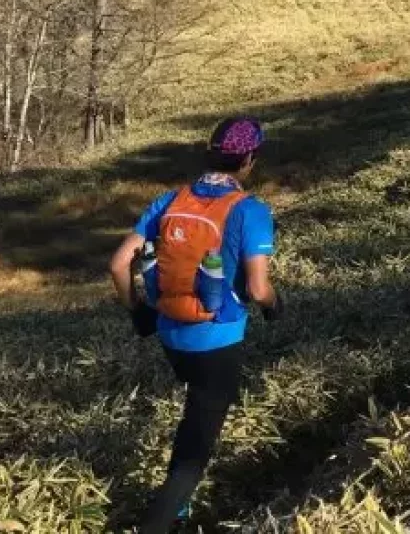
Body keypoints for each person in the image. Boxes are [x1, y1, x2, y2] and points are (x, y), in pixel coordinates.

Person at [108, 116, 283, 534]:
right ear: (249, 160)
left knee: (196, 408)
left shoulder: (169, 200)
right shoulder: (251, 211)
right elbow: (259, 290)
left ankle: (181, 510)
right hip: (218, 341)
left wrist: (138, 311)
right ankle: (160, 522)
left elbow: (117, 264)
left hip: (171, 333)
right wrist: (277, 307)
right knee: (195, 449)